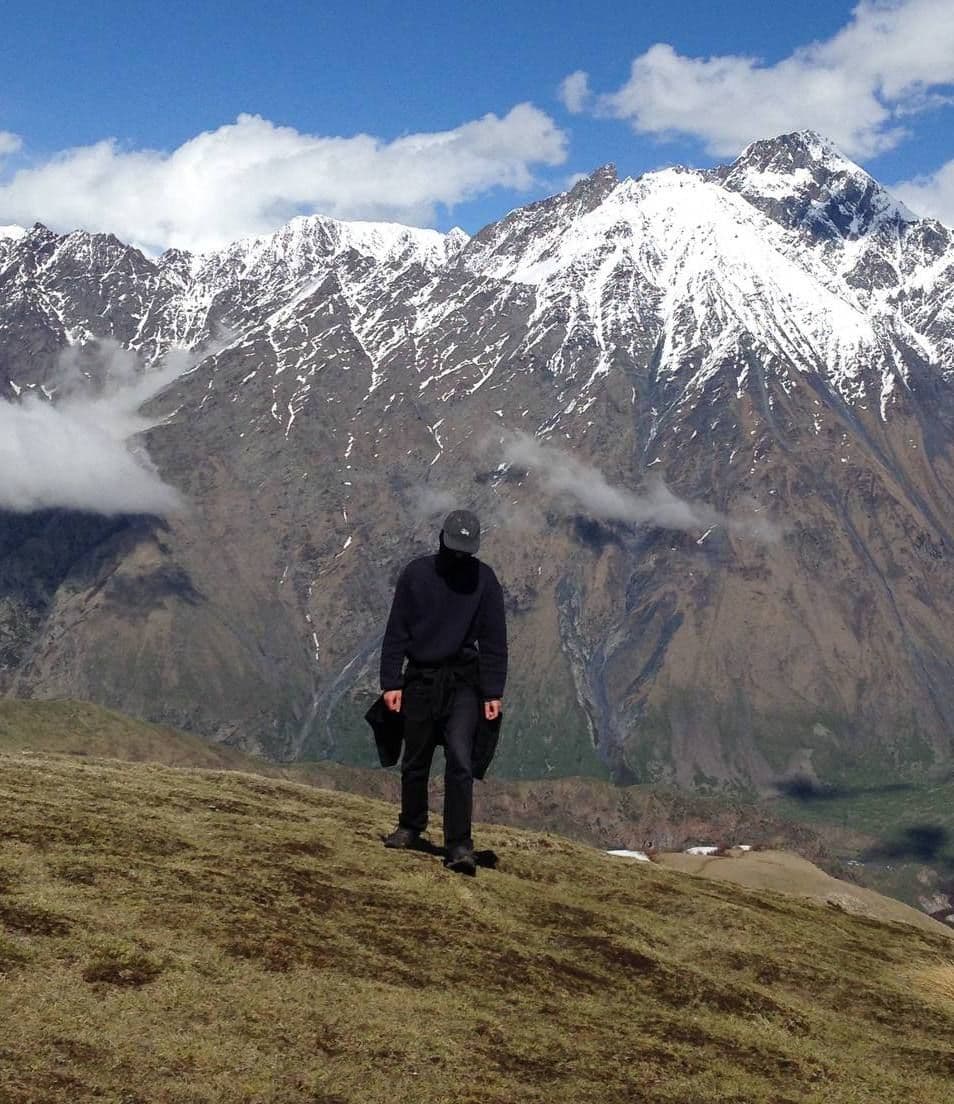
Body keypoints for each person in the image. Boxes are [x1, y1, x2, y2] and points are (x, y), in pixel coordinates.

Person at [379, 509, 507, 875]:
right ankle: (410, 826)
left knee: (460, 761)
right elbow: (397, 629)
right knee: (415, 758)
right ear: (442, 540)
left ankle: (459, 845)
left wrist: (492, 692)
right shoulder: (416, 576)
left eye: (465, 550)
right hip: (420, 678)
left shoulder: (484, 581)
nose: (459, 556)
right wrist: (391, 681)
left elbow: (494, 639)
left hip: (464, 681)